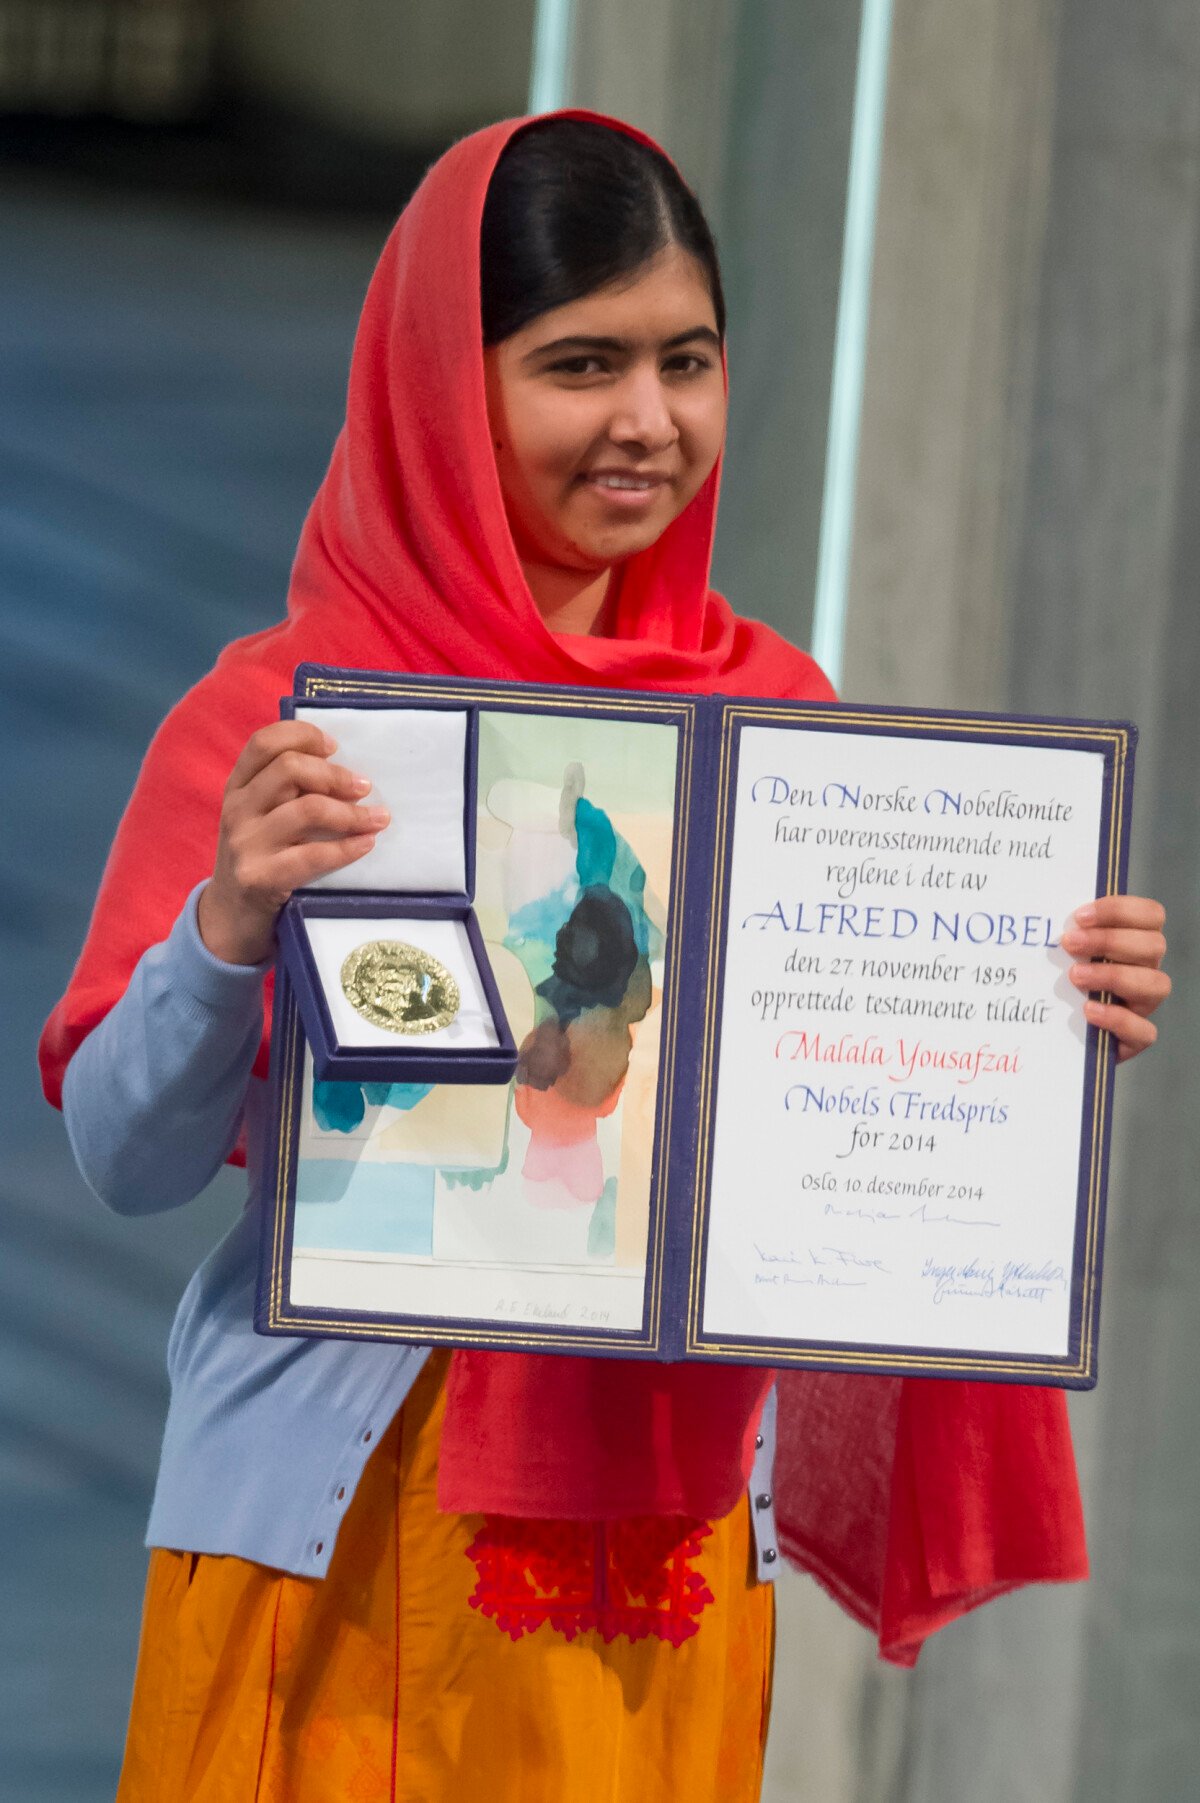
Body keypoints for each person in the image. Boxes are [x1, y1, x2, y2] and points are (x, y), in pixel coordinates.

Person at [39, 112, 1170, 1802]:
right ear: (443, 382)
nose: (648, 422)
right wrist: (226, 932)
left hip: (668, 1562)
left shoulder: (783, 725)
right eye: (581, 364)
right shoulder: (288, 724)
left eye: (688, 361)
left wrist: (1030, 1027)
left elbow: (825, 1152)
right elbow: (122, 1160)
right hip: (338, 1546)